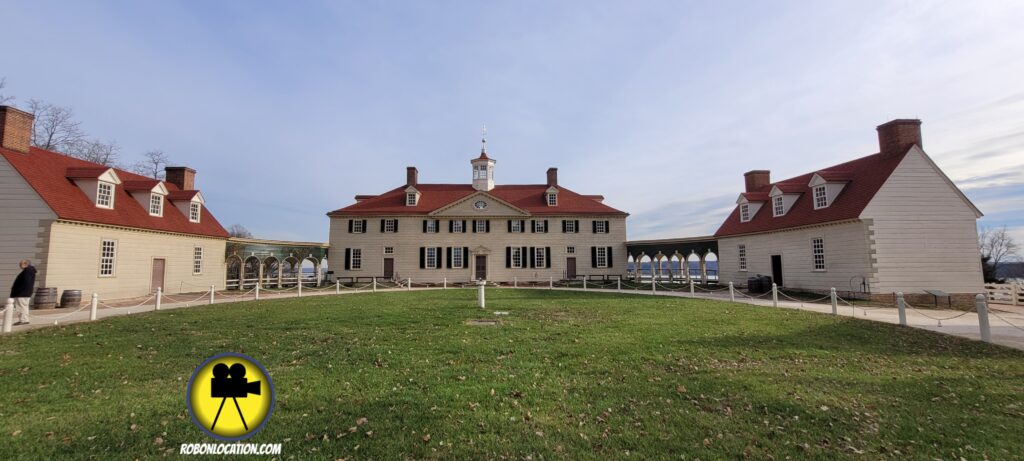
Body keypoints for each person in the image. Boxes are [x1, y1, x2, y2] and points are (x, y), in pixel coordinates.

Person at [9, 259, 35, 326]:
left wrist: (18, 291)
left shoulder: (27, 271)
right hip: (25, 293)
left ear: (25, 264)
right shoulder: (29, 271)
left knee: (21, 307)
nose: (19, 265)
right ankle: (24, 320)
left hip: (22, 293)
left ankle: (23, 320)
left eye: (20, 264)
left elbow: (26, 282)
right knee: (24, 306)